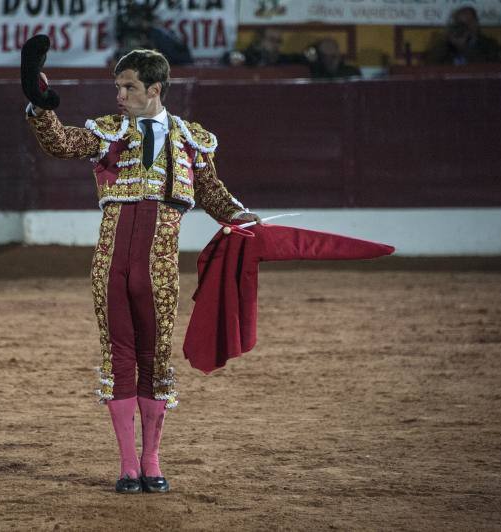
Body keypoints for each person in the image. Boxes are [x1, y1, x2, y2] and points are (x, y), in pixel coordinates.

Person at [25, 49, 260, 494]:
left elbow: (212, 193)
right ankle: (127, 464)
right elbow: (60, 142)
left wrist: (244, 218)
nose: (120, 95)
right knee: (120, 357)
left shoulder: (192, 138)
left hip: (159, 267)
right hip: (110, 264)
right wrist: (38, 105)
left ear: (155, 89)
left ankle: (152, 459)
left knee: (155, 358)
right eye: (118, 86)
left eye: (129, 87)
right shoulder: (107, 133)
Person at [424, 6, 501, 65]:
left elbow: (487, 68)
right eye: (460, 24)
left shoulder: (489, 45)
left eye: (468, 22)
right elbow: (430, 65)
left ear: (476, 23)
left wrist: (463, 47)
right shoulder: (447, 44)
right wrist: (444, 41)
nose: (465, 27)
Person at [239, 27, 305, 67]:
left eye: (279, 41)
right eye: (272, 40)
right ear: (259, 39)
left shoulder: (282, 60)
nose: (276, 45)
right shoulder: (244, 59)